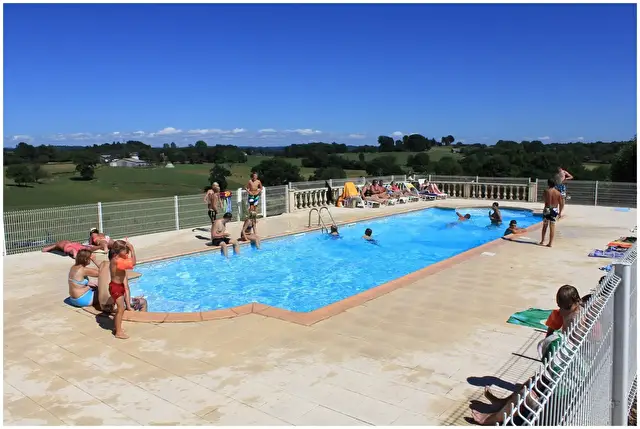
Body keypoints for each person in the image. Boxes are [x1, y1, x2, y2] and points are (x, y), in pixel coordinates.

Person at [109, 240, 137, 339]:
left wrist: (128, 250)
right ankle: (118, 332)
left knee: (120, 309)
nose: (126, 252)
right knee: (121, 309)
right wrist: (132, 249)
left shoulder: (117, 258)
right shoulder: (117, 261)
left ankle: (117, 327)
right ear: (119, 251)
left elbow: (128, 258)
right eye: (125, 250)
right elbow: (133, 263)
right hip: (115, 287)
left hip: (118, 286)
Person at [540, 178, 562, 247]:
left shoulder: (546, 191)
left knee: (545, 225)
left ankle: (542, 241)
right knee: (552, 226)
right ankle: (550, 243)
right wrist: (560, 212)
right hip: (554, 209)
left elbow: (543, 199)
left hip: (547, 209)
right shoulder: (558, 193)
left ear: (548, 183)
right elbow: (561, 203)